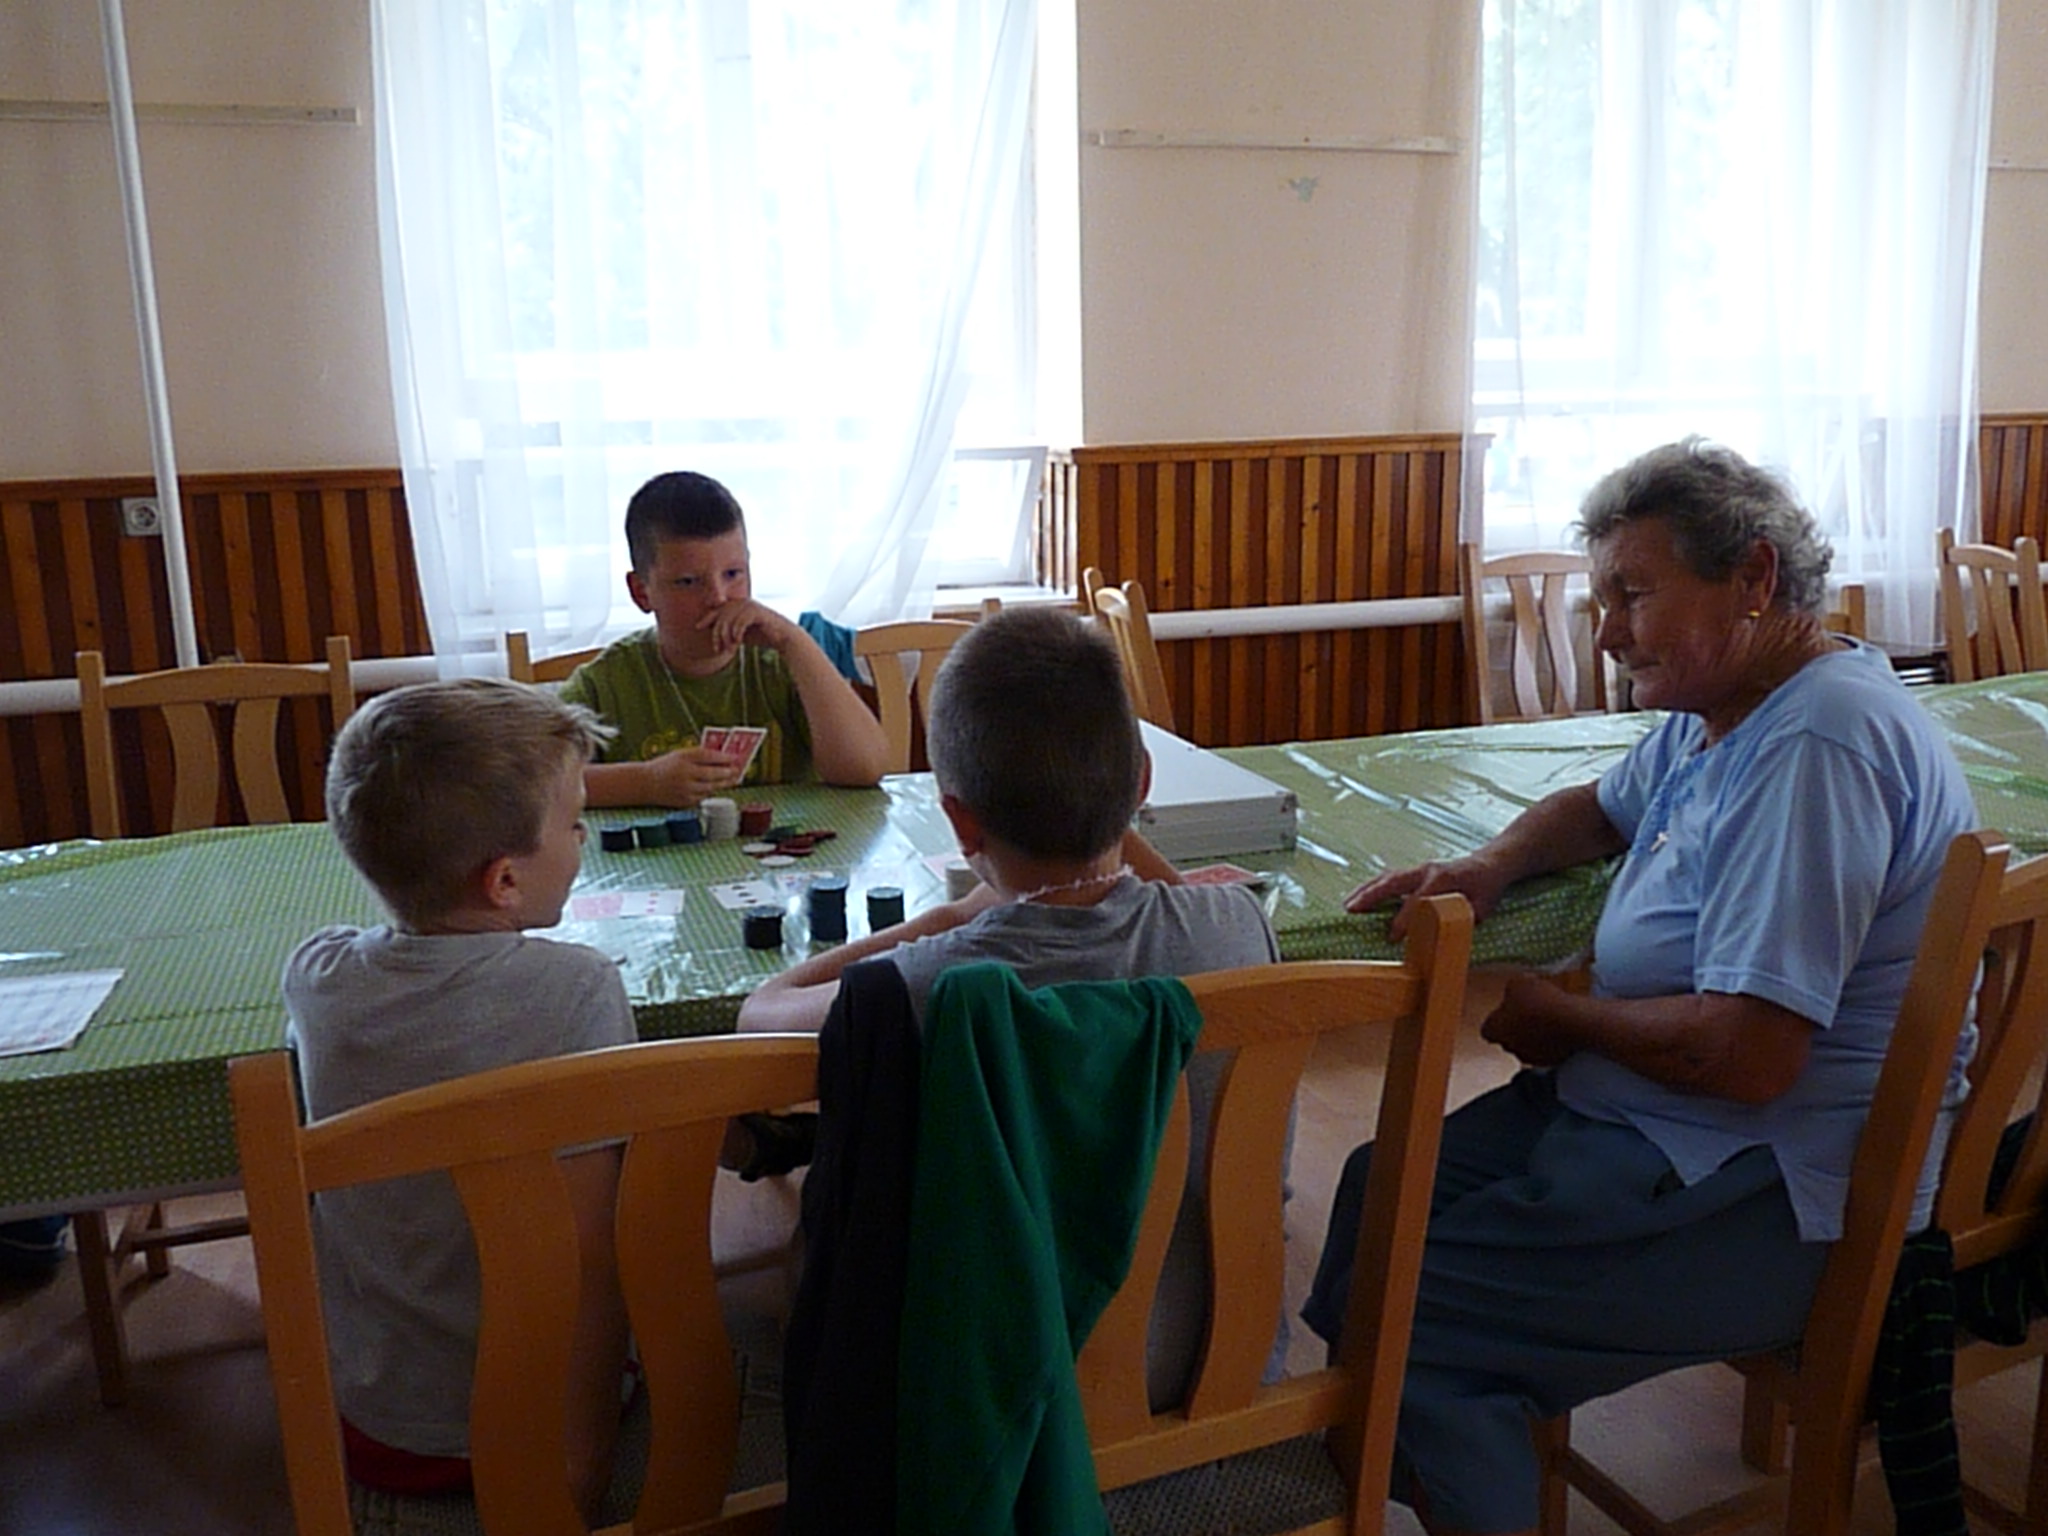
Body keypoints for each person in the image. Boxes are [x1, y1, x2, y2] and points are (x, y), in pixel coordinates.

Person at [1303, 438, 1979, 1535]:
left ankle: (1441, 1435)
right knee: (1376, 1188)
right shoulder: (1729, 709)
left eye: (1632, 595)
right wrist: (1490, 864)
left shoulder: (1817, 746)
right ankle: (1435, 1456)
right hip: (1652, 1126)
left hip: (1778, 1189)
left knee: (1408, 1320)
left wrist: (1564, 1018)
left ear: (1752, 578)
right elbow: (1597, 807)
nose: (1609, 631)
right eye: (1602, 599)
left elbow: (1749, 1056)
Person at [737, 604, 1282, 1406]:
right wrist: (1111, 817)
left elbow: (761, 1012)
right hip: (1218, 1363)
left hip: (999, 1404)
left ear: (960, 823)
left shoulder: (918, 986)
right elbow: (1165, 895)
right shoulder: (1239, 927)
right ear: (1140, 782)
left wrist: (945, 918)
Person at [284, 678, 634, 1517]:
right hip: (540, 1426)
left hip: (379, 1428)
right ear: (504, 880)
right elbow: (591, 1257)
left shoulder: (315, 976)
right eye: (575, 823)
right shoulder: (579, 989)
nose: (582, 840)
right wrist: (581, 1460)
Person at [560, 470, 890, 806]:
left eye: (733, 574)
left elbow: (866, 768)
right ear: (642, 592)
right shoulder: (605, 684)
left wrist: (795, 640)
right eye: (688, 582)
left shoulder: (785, 663)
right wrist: (646, 783)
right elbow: (540, 784)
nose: (718, 597)